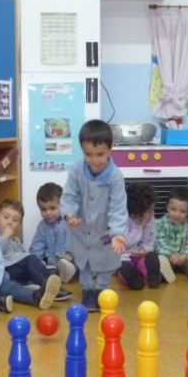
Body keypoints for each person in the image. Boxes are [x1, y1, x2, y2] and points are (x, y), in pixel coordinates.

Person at [60, 119, 127, 311]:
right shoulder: (76, 169)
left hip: (104, 229)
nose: (94, 160)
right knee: (85, 260)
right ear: (82, 150)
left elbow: (118, 206)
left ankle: (102, 289)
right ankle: (88, 290)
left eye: (100, 154)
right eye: (88, 154)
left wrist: (117, 233)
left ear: (110, 149)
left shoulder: (115, 176)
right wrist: (69, 214)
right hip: (81, 228)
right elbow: (69, 195)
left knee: (105, 260)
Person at [0, 198, 62, 308]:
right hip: (5, 272)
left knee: (47, 268)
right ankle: (55, 290)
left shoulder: (16, 240)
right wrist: (5, 236)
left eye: (15, 220)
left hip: (18, 273)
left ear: (19, 225)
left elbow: (22, 256)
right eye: (6, 217)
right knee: (31, 259)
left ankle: (44, 285)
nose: (9, 222)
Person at [154, 186, 188, 284]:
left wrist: (185, 255)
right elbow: (159, 242)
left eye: (183, 211)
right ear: (167, 206)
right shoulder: (160, 223)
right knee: (163, 263)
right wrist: (170, 254)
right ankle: (164, 275)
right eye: (173, 209)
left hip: (183, 257)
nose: (177, 214)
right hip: (167, 256)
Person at [29, 182, 76, 284]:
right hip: (54, 264)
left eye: (52, 208)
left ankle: (66, 274)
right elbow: (37, 248)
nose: (48, 213)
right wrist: (34, 263)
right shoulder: (42, 226)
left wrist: (71, 255)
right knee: (41, 269)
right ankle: (53, 277)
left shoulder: (70, 221)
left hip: (73, 261)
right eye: (43, 209)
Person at [117, 182, 160, 290]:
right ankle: (133, 279)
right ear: (137, 213)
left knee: (147, 261)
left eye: (153, 209)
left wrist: (146, 250)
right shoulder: (123, 220)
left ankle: (153, 276)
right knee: (123, 268)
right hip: (123, 257)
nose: (152, 213)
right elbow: (125, 242)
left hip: (140, 255)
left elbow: (150, 239)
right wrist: (142, 225)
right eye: (149, 211)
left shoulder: (150, 218)